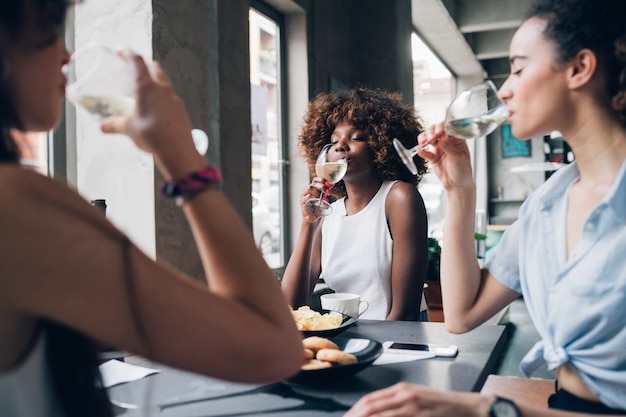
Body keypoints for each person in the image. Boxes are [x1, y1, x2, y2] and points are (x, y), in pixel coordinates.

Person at [0, 1, 304, 416]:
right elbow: (274, 346)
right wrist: (180, 154)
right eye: (51, 28)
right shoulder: (20, 208)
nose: (66, 54)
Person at [346, 0, 626, 415]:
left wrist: (487, 409)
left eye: (518, 67)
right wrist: (460, 190)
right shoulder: (545, 208)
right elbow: (461, 314)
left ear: (579, 68)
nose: (506, 88)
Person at [281, 87, 429, 321]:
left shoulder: (399, 198)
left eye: (356, 137)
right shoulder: (329, 214)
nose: (341, 146)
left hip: (396, 341)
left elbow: (405, 312)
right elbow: (290, 306)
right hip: (346, 337)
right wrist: (308, 224)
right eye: (334, 141)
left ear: (381, 145)